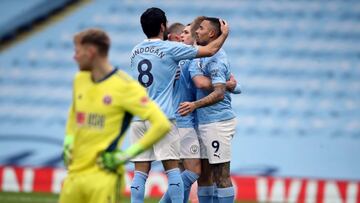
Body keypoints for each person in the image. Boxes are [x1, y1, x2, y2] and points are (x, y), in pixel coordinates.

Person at [129, 7, 229, 203]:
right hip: (163, 118)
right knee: (173, 172)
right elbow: (210, 50)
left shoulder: (135, 51)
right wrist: (224, 34)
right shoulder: (169, 48)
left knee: (140, 173)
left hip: (139, 118)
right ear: (162, 26)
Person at [60, 28, 171, 203]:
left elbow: (161, 124)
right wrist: (68, 139)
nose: (74, 57)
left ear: (91, 52)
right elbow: (74, 113)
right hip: (73, 175)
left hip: (103, 177)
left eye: (77, 51)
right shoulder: (79, 79)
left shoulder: (125, 86)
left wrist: (126, 155)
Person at [178, 17, 237, 203]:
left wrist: (194, 105)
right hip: (204, 122)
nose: (196, 31)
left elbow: (219, 93)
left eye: (201, 28)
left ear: (211, 33)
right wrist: (232, 85)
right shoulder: (202, 55)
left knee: (221, 177)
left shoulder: (217, 59)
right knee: (205, 176)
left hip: (217, 123)